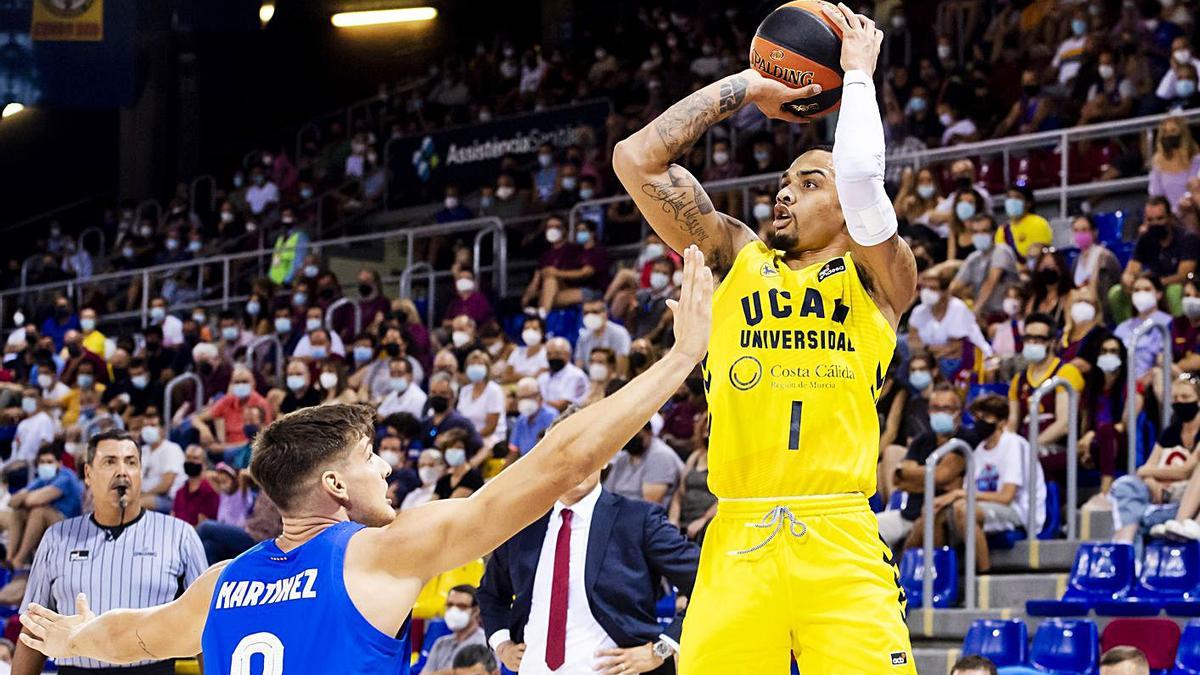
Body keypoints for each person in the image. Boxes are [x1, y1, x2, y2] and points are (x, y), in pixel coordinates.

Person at [17, 247, 714, 674]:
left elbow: (131, 635)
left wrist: (76, 632)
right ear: (332, 483)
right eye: (370, 456)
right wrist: (680, 356)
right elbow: (559, 463)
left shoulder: (221, 585)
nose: (386, 467)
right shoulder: (378, 554)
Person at [613, 7, 918, 670]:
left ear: (844, 209)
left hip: (838, 532)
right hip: (738, 533)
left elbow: (865, 180)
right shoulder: (737, 257)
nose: (784, 194)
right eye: (782, 183)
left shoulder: (878, 277)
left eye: (809, 183)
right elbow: (637, 159)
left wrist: (858, 77)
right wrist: (748, 88)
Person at [12, 430, 207, 675]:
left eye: (131, 462)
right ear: (88, 474)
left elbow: (206, 625)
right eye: (110, 461)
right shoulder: (56, 538)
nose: (122, 471)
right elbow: (34, 628)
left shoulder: (180, 535)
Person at [478, 468, 700, 675]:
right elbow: (491, 594)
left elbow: (706, 580)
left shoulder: (638, 519)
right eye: (565, 456)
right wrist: (502, 644)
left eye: (586, 454)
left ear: (604, 457)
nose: (576, 465)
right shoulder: (522, 523)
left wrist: (661, 650)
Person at [1110, 376, 1200, 543]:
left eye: (1185, 397)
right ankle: (1130, 556)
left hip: (1187, 499)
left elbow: (1185, 471)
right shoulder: (1170, 432)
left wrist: (1147, 472)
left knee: (1136, 517)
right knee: (1126, 486)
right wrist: (1151, 480)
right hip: (1163, 495)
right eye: (1175, 398)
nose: (1179, 402)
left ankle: (1176, 523)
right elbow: (1148, 466)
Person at [882, 384, 970, 550]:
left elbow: (941, 476)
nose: (941, 412)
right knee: (868, 530)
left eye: (947, 408)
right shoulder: (922, 439)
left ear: (959, 411)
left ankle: (901, 572)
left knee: (927, 521)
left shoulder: (965, 440)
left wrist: (915, 477)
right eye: (935, 408)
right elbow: (899, 479)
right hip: (907, 514)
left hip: (941, 514)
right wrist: (934, 480)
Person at [1008, 313, 1086, 486]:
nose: (1032, 343)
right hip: (1027, 446)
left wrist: (1030, 447)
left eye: (1039, 339)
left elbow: (1064, 424)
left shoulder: (1066, 373)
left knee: (1030, 466)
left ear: (1051, 341)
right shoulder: (1018, 380)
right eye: (1028, 338)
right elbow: (1013, 423)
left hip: (1059, 448)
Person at [4, 446, 85, 581]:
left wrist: (27, 497)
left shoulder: (66, 476)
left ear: (59, 463)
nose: (45, 465)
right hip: (53, 525)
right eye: (42, 462)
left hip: (73, 527)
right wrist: (28, 497)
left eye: (49, 462)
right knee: (18, 512)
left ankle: (19, 559)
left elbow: (37, 499)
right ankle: (9, 558)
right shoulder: (42, 479)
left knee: (39, 511)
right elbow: (12, 502)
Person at [909, 269, 994, 378]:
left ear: (945, 292)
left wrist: (927, 349)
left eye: (932, 288)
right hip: (934, 359)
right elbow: (912, 341)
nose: (926, 292)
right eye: (924, 288)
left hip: (971, 359)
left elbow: (955, 348)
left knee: (945, 363)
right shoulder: (919, 312)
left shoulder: (958, 308)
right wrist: (929, 349)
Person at [949, 214, 1019, 318]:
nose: (980, 235)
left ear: (993, 233)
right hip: (984, 314)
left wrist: (974, 312)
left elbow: (990, 282)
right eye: (976, 232)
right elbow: (955, 286)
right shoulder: (973, 257)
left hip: (1004, 314)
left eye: (984, 231)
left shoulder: (1002, 250)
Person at [604, 422, 685, 509]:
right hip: (617, 513)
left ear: (649, 432)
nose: (630, 438)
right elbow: (606, 495)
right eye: (626, 434)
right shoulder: (623, 458)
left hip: (639, 518)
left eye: (635, 434)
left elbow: (648, 506)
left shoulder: (660, 456)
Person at [1114, 274, 1174, 380]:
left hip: (1151, 381)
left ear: (1159, 294)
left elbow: (1164, 360)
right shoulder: (1122, 328)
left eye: (1147, 289)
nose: (1141, 294)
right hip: (1123, 382)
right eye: (1136, 290)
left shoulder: (1168, 323)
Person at [423, 586, 488, 675]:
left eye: (461, 606)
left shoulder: (485, 643)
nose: (453, 610)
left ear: (476, 610)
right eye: (450, 605)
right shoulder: (441, 643)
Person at [457, 350, 507, 457]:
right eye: (472, 364)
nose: (475, 367)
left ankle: (469, 468)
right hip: (468, 436)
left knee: (479, 448)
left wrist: (472, 438)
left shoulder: (494, 390)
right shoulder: (465, 391)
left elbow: (491, 426)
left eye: (479, 364)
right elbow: (460, 419)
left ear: (487, 368)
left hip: (492, 437)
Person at [1148, 116, 1200, 213]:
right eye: (1165, 132)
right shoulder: (1158, 165)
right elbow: (1156, 195)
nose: (1168, 135)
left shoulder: (1197, 161)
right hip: (1172, 217)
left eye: (1173, 131)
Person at [138, 410, 185, 512]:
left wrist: (141, 496)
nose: (148, 429)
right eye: (145, 426)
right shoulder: (142, 450)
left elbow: (166, 485)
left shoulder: (172, 449)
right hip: (144, 495)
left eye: (153, 425)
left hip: (168, 499)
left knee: (137, 504)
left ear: (162, 430)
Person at [573, 299, 631, 373]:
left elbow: (622, 369)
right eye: (586, 313)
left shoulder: (620, 334)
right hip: (591, 381)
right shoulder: (583, 337)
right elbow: (578, 367)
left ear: (605, 314)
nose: (590, 316)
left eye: (595, 312)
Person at [997, 181, 1052, 259]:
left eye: (1017, 197)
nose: (1012, 201)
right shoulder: (1002, 229)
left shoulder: (1038, 223)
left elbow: (1040, 254)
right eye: (1009, 197)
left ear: (1028, 203)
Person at [508, 378, 558, 459]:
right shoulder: (521, 420)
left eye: (529, 397)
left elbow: (551, 449)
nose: (525, 401)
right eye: (522, 398)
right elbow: (514, 450)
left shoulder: (551, 416)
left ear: (539, 396)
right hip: (525, 463)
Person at [536, 338, 589, 412]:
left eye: (557, 353)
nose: (553, 357)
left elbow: (564, 405)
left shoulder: (576, 375)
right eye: (549, 354)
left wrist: (536, 403)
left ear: (568, 355)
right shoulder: (543, 377)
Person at [173, 445, 218, 526]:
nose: (191, 461)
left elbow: (203, 524)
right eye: (188, 458)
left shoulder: (210, 491)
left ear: (204, 464)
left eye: (195, 458)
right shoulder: (179, 492)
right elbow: (173, 517)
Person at [505, 316, 549, 383]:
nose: (530, 332)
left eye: (534, 329)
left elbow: (539, 377)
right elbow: (506, 376)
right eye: (527, 328)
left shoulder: (547, 353)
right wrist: (530, 376)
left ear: (542, 333)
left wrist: (517, 375)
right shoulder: (517, 351)